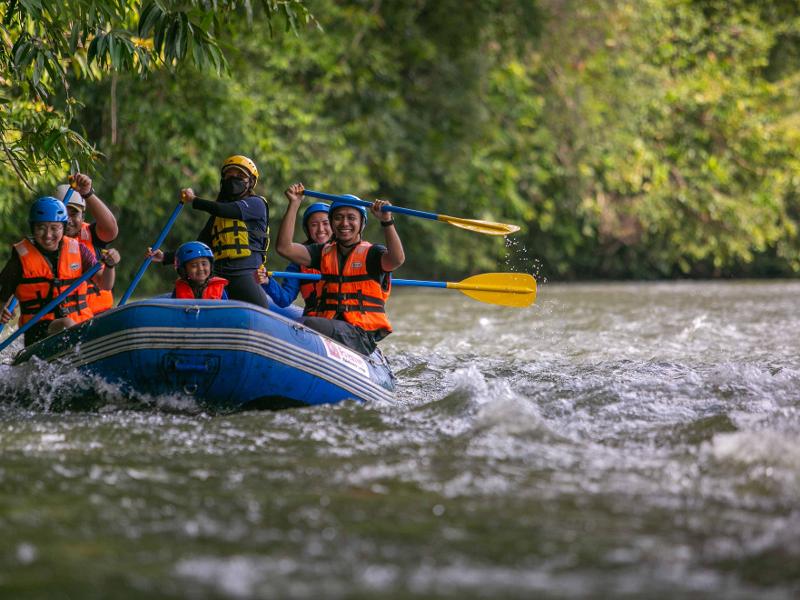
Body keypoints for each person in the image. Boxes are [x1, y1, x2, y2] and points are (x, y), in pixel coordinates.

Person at [276, 182, 405, 356]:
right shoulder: (322, 252)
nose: (344, 223)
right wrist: (294, 204)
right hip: (331, 326)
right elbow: (284, 248)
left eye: (351, 218)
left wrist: (386, 221)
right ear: (332, 223)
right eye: (338, 217)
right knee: (303, 324)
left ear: (362, 223)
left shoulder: (373, 254)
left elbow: (397, 259)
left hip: (359, 334)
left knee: (305, 324)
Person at [148, 155, 270, 308]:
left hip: (245, 273)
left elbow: (225, 209)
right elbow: (200, 246)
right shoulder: (217, 217)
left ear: (250, 182)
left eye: (240, 176)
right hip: (216, 275)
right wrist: (165, 257)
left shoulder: (256, 204)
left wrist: (194, 200)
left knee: (260, 307)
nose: (234, 179)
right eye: (229, 176)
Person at [0, 197, 120, 346]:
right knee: (66, 324)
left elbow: (105, 284)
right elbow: (2, 296)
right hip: (39, 330)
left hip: (80, 324)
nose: (48, 235)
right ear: (32, 228)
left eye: (54, 228)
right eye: (41, 228)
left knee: (83, 325)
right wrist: (3, 310)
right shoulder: (19, 260)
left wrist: (110, 266)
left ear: (63, 228)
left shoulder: (79, 250)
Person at [55, 172, 119, 314]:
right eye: (63, 214)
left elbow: (111, 230)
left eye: (74, 214)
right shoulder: (47, 242)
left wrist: (87, 193)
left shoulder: (91, 235)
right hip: (67, 318)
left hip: (99, 315)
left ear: (83, 216)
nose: (68, 220)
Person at [257, 202, 331, 308]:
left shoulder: (346, 253)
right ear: (308, 229)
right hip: (313, 316)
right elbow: (284, 299)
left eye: (326, 223)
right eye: (314, 225)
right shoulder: (299, 261)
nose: (320, 229)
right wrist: (267, 281)